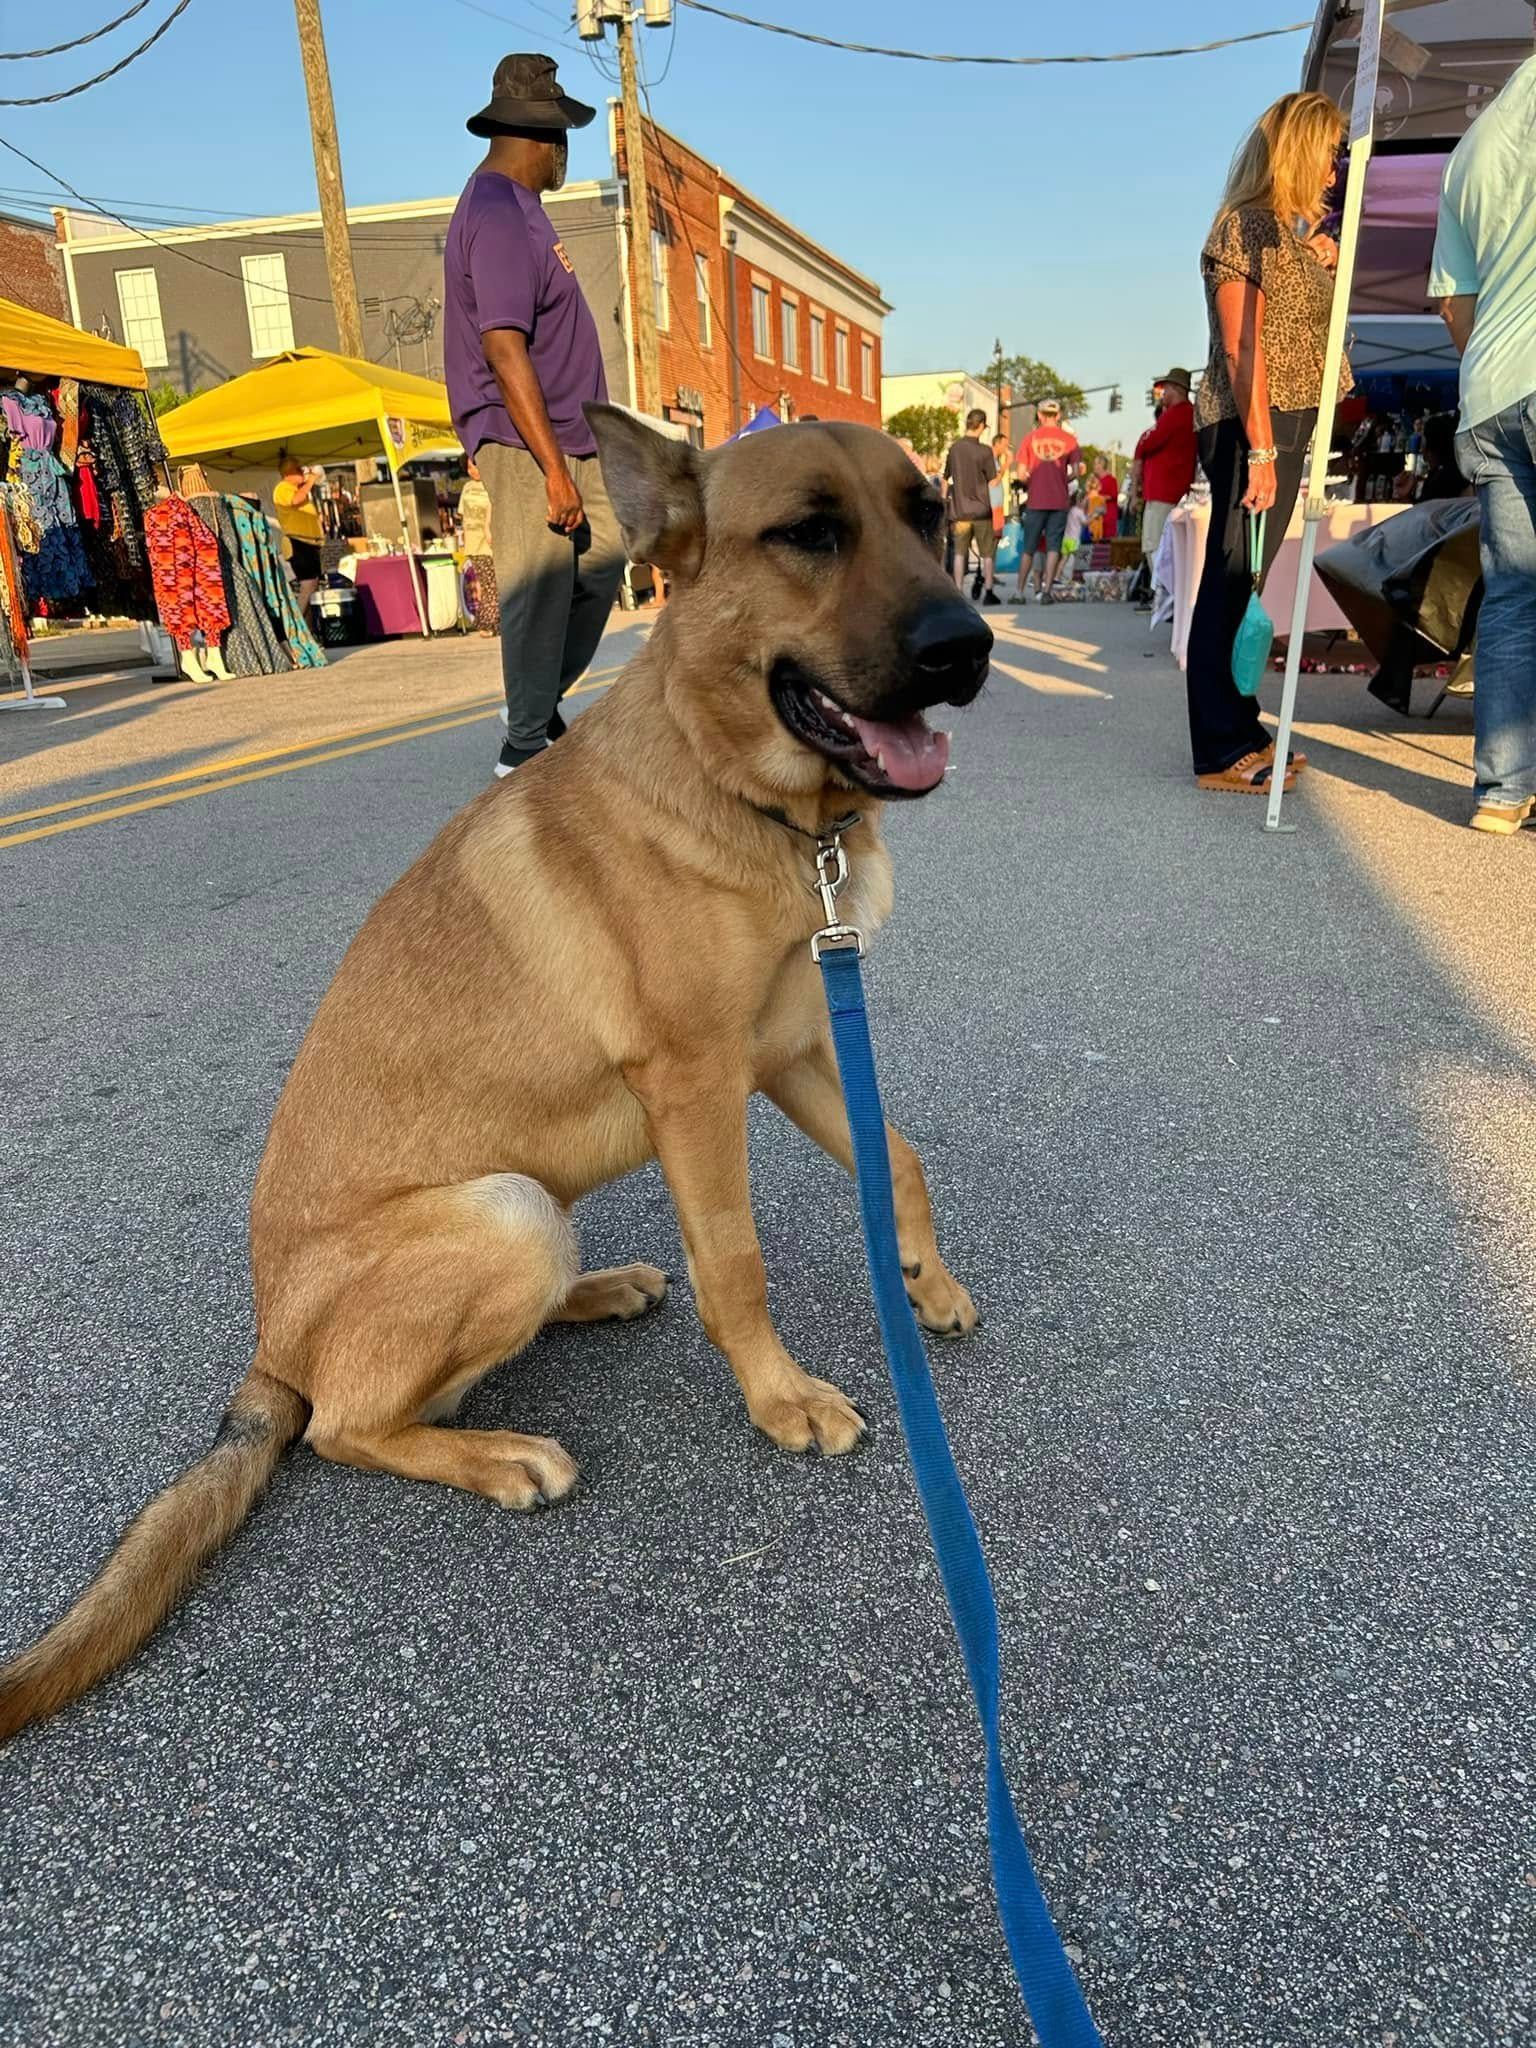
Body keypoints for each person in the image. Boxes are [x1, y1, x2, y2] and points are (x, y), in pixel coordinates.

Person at [444, 53, 626, 777]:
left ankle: (535, 703)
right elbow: (503, 346)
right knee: (541, 583)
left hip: (573, 436)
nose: (564, 157)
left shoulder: (523, 211)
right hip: (528, 439)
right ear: (545, 139)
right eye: (563, 141)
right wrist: (552, 468)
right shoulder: (495, 211)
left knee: (604, 558)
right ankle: (522, 749)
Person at [1185, 90, 1348, 792]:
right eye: (1331, 156)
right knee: (1231, 576)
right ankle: (1220, 747)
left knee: (1246, 574)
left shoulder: (1279, 233)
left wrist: (1315, 260)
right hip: (1252, 420)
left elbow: (1282, 319)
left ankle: (1241, 725)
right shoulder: (1245, 226)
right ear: (1300, 151)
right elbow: (1242, 343)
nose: (1336, 172)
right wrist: (1260, 448)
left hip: (1279, 418)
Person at [1429, 47, 1536, 834]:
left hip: (1492, 391)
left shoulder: (1471, 147)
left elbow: (1451, 304)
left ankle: (1503, 791)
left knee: (1513, 598)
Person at [1130, 367, 1198, 610]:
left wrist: (1139, 450)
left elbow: (1149, 441)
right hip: (1173, 491)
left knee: (1154, 545)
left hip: (1163, 493)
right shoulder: (1187, 414)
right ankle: (1167, 596)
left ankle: (1165, 596)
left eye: (1166, 388)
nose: (1162, 394)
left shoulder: (1177, 414)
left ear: (1177, 389)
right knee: (1166, 547)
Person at [1013, 398, 1080, 604]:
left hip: (1036, 500)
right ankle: (1047, 591)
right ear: (1058, 416)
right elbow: (1076, 472)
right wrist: (1061, 479)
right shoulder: (1070, 440)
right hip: (1059, 500)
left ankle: (1019, 592)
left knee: (1029, 548)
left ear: (1040, 416)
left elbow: (1021, 473)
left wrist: (1034, 480)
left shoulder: (1029, 439)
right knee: (1053, 547)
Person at [943, 408, 1001, 607]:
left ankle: (959, 592)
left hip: (960, 511)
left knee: (959, 553)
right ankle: (989, 592)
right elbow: (993, 482)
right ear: (982, 425)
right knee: (987, 554)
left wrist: (945, 502)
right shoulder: (985, 451)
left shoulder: (955, 448)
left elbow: (945, 479)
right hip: (982, 510)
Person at [272, 455, 324, 620]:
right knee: (308, 584)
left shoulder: (296, 489)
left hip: (308, 543)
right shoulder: (283, 488)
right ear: (289, 473)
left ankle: (307, 626)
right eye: (299, 470)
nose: (303, 473)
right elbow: (295, 500)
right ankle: (297, 623)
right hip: (298, 542)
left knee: (312, 584)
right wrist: (310, 481)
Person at [458, 456, 497, 635]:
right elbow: (463, 517)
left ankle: (488, 622)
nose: (474, 471)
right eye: (470, 468)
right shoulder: (466, 488)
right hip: (474, 543)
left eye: (476, 466)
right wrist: (464, 543)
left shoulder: (492, 485)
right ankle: (487, 623)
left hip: (490, 540)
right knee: (487, 583)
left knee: (491, 583)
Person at [1092, 452, 1119, 539]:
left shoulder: (1111, 480)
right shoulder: (1095, 481)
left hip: (1108, 516)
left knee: (1107, 542)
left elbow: (1114, 495)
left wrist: (1098, 498)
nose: (1094, 466)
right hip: (1096, 517)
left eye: (1096, 463)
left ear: (1102, 465)